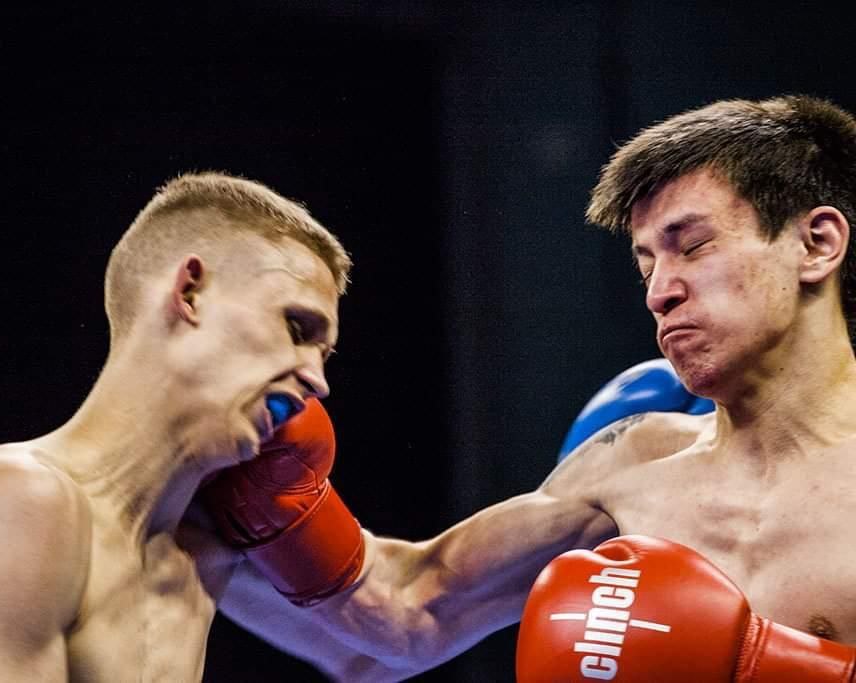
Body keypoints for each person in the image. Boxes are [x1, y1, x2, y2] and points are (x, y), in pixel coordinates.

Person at [189, 95, 856, 680]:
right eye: (645, 263)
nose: (659, 292)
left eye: (693, 246)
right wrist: (266, 505)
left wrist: (775, 664)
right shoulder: (632, 464)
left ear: (817, 244)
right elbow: (412, 606)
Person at [0, 171, 351, 681]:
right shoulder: (16, 500)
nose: (317, 381)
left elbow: (383, 638)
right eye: (296, 328)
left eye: (323, 354)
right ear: (191, 291)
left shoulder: (200, 558)